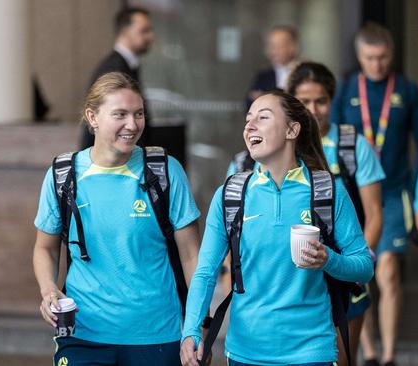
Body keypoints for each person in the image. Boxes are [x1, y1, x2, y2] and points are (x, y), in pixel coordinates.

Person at [180, 90, 374, 366]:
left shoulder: (328, 191)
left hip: (311, 352)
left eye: (263, 117)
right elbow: (205, 272)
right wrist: (191, 331)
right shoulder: (231, 195)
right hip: (245, 353)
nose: (250, 125)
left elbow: (364, 266)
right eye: (248, 119)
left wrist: (328, 260)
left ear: (292, 129)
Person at [33, 72, 201, 366]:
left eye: (138, 114)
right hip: (82, 333)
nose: (133, 125)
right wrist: (49, 288)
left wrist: (197, 327)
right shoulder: (63, 176)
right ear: (92, 117)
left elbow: (191, 257)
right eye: (120, 114)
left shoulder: (165, 171)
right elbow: (45, 248)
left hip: (156, 334)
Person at [331, 22, 418, 366]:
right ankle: (370, 350)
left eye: (383, 57)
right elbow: (328, 138)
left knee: (386, 267)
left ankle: (389, 353)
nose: (377, 64)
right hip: (351, 196)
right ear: (359, 56)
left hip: (393, 192)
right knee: (361, 270)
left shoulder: (407, 89)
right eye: (370, 58)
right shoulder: (346, 89)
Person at [286, 61, 385, 366]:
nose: (313, 109)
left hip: (342, 276)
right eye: (304, 101)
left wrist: (354, 267)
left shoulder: (351, 147)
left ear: (332, 101)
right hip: (292, 282)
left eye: (321, 101)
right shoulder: (280, 148)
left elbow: (374, 214)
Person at [81, 7, 154, 149]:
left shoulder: (127, 65)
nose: (150, 36)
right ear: (125, 32)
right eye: (144, 31)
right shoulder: (114, 68)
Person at [245, 26, 299, 108]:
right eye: (271, 46)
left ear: (293, 47)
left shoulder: (305, 73)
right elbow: (248, 105)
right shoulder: (263, 77)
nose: (273, 51)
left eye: (278, 46)